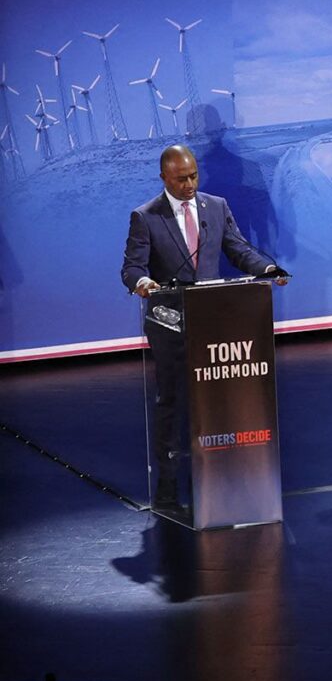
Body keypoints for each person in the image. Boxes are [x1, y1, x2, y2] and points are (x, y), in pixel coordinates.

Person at [121, 145, 286, 510]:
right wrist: (142, 283)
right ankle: (166, 480)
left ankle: (224, 471)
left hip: (214, 321)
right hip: (170, 323)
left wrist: (267, 269)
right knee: (172, 401)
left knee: (221, 398)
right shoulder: (145, 217)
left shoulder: (216, 206)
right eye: (181, 179)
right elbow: (131, 267)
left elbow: (238, 249)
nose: (190, 184)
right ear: (164, 177)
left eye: (194, 176)